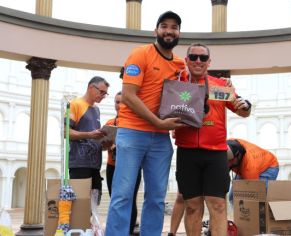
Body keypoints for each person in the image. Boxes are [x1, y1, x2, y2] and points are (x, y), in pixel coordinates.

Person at [105, 11, 186, 236]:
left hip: (160, 140)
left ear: (179, 33)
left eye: (174, 27)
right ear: (156, 31)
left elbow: (190, 94)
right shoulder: (140, 54)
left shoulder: (180, 64)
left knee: (157, 197)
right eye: (164, 26)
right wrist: (159, 123)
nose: (169, 31)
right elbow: (129, 96)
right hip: (132, 133)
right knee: (122, 194)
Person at [174, 43, 251, 236]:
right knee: (192, 205)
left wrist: (246, 105)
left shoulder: (221, 85)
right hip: (187, 151)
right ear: (186, 60)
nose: (197, 61)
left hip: (216, 152)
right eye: (193, 57)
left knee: (217, 204)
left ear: (209, 62)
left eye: (202, 57)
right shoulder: (176, 83)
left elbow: (242, 111)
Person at [67, 76, 110, 204]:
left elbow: (94, 138)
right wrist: (90, 135)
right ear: (91, 87)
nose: (103, 96)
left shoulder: (96, 110)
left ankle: (91, 225)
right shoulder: (75, 104)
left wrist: (105, 144)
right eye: (101, 92)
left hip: (95, 165)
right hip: (79, 164)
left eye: (105, 94)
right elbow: (66, 132)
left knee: (94, 205)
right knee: (80, 206)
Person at [104, 91, 142, 235]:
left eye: (122, 102)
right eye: (116, 102)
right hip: (112, 166)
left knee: (130, 199)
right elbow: (102, 146)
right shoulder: (109, 123)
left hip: (132, 167)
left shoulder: (135, 123)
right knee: (116, 198)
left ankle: (129, 231)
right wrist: (107, 145)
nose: (119, 105)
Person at [227, 138, 279, 206]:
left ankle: (259, 215)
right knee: (233, 196)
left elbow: (254, 191)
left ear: (238, 156)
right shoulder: (228, 144)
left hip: (269, 167)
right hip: (248, 166)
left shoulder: (250, 168)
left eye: (230, 161)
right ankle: (239, 216)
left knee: (258, 197)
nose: (228, 163)